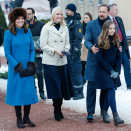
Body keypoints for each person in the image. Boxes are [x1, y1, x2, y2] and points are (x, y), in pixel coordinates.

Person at [4, 8, 38, 128]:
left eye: (22, 18)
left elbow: (31, 49)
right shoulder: (8, 33)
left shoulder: (28, 31)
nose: (21, 20)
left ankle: (26, 117)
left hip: (27, 68)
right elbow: (7, 53)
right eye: (18, 18)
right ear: (14, 20)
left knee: (27, 92)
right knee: (18, 93)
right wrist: (18, 66)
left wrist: (31, 64)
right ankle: (19, 118)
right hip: (16, 69)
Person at [40, 7, 74, 121]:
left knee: (62, 86)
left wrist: (66, 50)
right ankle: (56, 110)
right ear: (53, 15)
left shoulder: (65, 27)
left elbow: (67, 43)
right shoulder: (46, 27)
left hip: (62, 61)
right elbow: (43, 45)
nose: (59, 16)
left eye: (61, 14)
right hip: (50, 61)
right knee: (55, 87)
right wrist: (55, 51)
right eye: (57, 14)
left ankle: (59, 109)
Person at [95, 20, 124, 126]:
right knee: (111, 89)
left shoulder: (117, 40)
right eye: (110, 28)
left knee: (109, 91)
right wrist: (111, 70)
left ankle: (105, 112)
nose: (112, 30)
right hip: (103, 70)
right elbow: (100, 59)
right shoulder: (100, 40)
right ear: (105, 29)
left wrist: (117, 71)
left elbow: (119, 57)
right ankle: (115, 116)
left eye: (113, 28)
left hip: (114, 71)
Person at [84, 4, 110, 120]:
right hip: (93, 60)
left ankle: (104, 112)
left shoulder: (111, 25)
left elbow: (115, 39)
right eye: (100, 11)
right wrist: (90, 48)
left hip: (106, 61)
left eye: (104, 12)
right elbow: (87, 40)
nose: (101, 14)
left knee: (105, 87)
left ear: (108, 13)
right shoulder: (90, 24)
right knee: (91, 88)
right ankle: (90, 112)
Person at [108, 3, 131, 90]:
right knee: (114, 64)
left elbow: (123, 33)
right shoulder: (107, 21)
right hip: (113, 45)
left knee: (126, 62)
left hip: (121, 44)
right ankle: (114, 84)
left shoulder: (119, 19)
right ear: (110, 11)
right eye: (115, 10)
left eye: (117, 9)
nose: (117, 11)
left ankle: (129, 84)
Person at [26, 7, 46, 99]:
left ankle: (42, 92)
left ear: (33, 14)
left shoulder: (41, 25)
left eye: (29, 14)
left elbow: (45, 37)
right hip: (27, 53)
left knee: (38, 72)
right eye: (26, 14)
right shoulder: (23, 26)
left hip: (38, 52)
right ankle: (33, 90)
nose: (27, 16)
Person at [65, 3, 84, 100]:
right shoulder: (69, 21)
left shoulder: (76, 23)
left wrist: (75, 50)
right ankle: (73, 90)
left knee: (76, 71)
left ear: (72, 11)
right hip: (69, 51)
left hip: (74, 52)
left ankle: (79, 91)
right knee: (71, 71)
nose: (66, 12)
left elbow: (78, 38)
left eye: (68, 10)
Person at [81, 12, 92, 85]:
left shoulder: (91, 26)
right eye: (84, 18)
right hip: (82, 46)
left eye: (87, 18)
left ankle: (88, 77)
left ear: (90, 19)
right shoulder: (81, 26)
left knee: (88, 63)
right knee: (82, 63)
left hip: (88, 46)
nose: (85, 19)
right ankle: (83, 79)